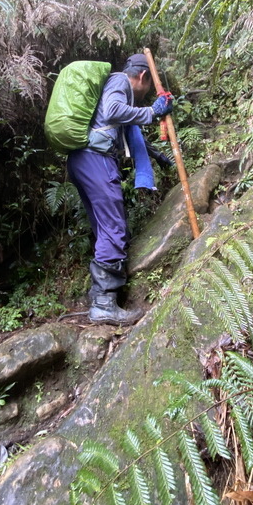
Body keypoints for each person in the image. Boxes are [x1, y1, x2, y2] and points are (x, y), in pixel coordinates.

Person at [67, 53, 173, 325]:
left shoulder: (113, 88)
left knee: (105, 228)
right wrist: (152, 112)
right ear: (143, 77)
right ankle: (104, 305)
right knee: (114, 228)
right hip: (96, 160)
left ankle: (99, 298)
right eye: (148, 86)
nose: (146, 93)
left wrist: (159, 157)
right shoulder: (119, 82)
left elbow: (121, 128)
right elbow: (114, 111)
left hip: (84, 160)